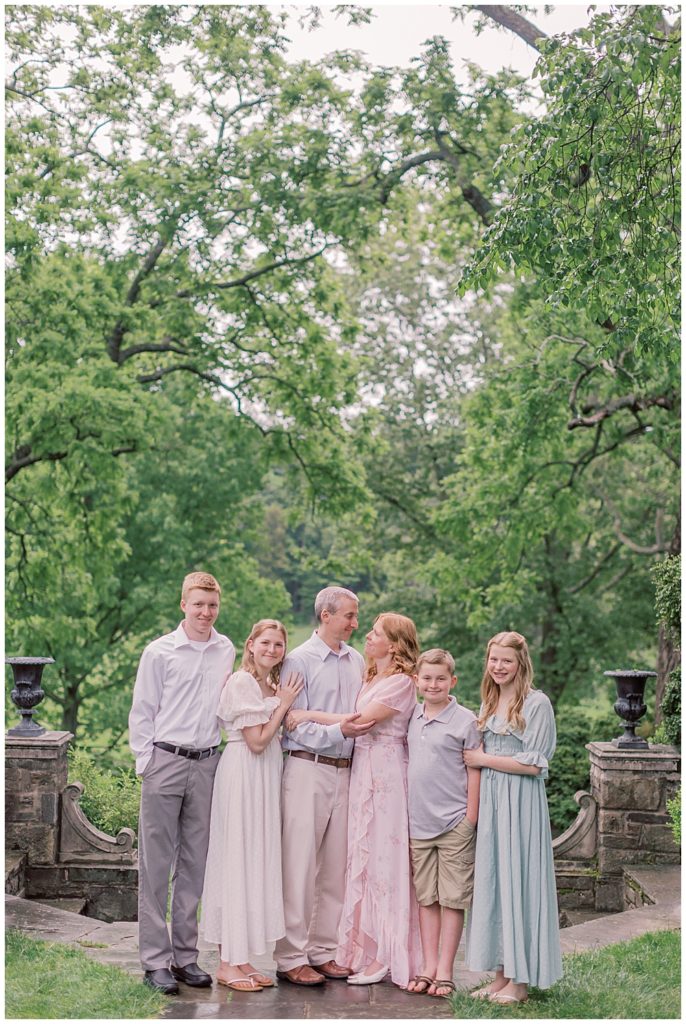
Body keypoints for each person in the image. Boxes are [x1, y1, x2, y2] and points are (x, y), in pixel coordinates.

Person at [287, 612, 422, 988]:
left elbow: (361, 720)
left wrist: (306, 713)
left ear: (393, 644)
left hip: (388, 771)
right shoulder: (370, 673)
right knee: (358, 857)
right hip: (361, 768)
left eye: (376, 632)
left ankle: (386, 952)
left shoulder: (402, 683)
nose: (367, 634)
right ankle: (358, 947)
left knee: (384, 858)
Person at [129, 571, 235, 995]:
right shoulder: (159, 652)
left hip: (208, 763)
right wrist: (146, 764)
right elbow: (143, 710)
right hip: (166, 761)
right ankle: (155, 961)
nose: (206, 613)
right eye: (198, 605)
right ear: (183, 605)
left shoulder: (225, 649)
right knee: (156, 864)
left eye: (212, 606)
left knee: (195, 865)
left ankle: (185, 957)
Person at [274, 585, 374, 987]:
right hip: (306, 769)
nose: (355, 622)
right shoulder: (298, 659)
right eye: (349, 615)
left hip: (347, 771)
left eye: (355, 615)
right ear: (326, 615)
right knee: (298, 866)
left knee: (335, 868)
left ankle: (323, 951)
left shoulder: (356, 660)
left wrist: (343, 733)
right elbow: (292, 723)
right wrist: (342, 731)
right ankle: (290, 956)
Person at [199, 619, 303, 992]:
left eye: (279, 645)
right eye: (266, 643)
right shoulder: (242, 682)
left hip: (265, 778)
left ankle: (242, 958)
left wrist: (281, 699)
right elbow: (257, 740)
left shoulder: (270, 685)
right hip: (243, 773)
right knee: (236, 861)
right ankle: (226, 964)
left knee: (255, 862)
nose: (272, 650)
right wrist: (285, 704)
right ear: (251, 644)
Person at [464, 631, 563, 1005]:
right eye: (494, 659)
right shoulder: (490, 700)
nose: (499, 667)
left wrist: (483, 760)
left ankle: (520, 983)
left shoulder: (537, 703)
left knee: (518, 881)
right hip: (492, 802)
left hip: (521, 803)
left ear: (521, 663)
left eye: (506, 660)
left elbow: (535, 763)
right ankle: (501, 975)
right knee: (495, 882)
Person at [405, 648, 481, 999]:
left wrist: (470, 819)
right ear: (417, 681)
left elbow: (473, 769)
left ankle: (446, 970)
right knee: (426, 898)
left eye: (440, 678)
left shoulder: (466, 720)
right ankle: (427, 966)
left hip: (454, 824)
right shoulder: (413, 716)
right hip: (418, 824)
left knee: (452, 899)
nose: (432, 684)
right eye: (426, 678)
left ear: (453, 681)